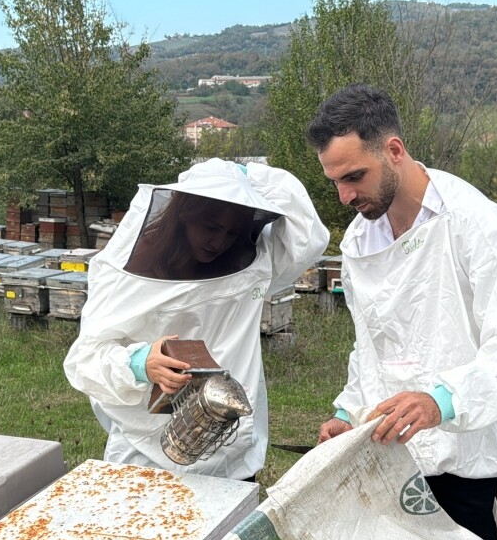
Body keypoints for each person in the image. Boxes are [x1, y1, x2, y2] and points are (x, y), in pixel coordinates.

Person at [307, 84, 497, 540]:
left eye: (354, 176)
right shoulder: (360, 241)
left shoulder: (478, 223)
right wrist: (348, 413)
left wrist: (441, 401)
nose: (344, 196)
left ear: (394, 150)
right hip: (398, 460)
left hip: (479, 464)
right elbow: (371, 347)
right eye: (335, 181)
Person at [64, 158, 329, 480]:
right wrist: (139, 363)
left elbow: (308, 235)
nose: (220, 242)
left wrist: (247, 174)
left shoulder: (252, 264)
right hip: (145, 453)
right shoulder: (130, 273)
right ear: (183, 217)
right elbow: (84, 359)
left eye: (232, 232)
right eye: (212, 227)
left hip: (229, 445)